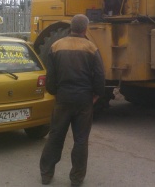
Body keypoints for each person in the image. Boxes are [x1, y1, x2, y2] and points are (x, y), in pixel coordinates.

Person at [40, 14, 105, 187]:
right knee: (81, 140)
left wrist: (55, 92)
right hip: (84, 100)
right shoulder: (91, 48)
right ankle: (76, 179)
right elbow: (100, 76)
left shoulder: (56, 46)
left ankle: (46, 175)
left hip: (63, 99)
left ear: (71, 28)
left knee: (55, 136)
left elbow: (51, 78)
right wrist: (96, 94)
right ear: (85, 29)